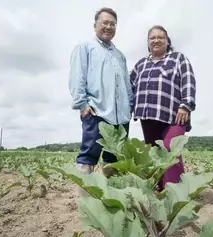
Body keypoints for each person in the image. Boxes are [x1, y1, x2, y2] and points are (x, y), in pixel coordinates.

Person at [130, 25, 196, 191]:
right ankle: (159, 189)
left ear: (167, 41)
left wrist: (186, 105)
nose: (156, 40)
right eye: (152, 38)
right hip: (149, 116)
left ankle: (174, 192)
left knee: (169, 151)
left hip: (174, 115)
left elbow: (188, 81)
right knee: (154, 154)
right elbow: (129, 87)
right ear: (148, 42)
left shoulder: (178, 59)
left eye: (160, 37)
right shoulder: (141, 64)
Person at [68, 7, 133, 178]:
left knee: (115, 157)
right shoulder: (85, 47)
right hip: (97, 111)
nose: (109, 27)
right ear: (95, 25)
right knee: (88, 155)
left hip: (121, 116)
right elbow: (77, 77)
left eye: (113, 24)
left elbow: (127, 84)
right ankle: (87, 202)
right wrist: (82, 105)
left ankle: (110, 197)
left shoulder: (120, 55)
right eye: (105, 23)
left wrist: (130, 106)